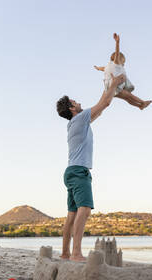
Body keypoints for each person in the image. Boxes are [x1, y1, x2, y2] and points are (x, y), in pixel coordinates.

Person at [56, 73, 126, 262]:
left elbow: (101, 109)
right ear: (72, 108)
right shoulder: (79, 119)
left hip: (71, 171)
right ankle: (76, 253)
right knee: (84, 210)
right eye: (75, 101)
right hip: (79, 171)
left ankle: (65, 253)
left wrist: (110, 89)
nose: (79, 102)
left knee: (72, 214)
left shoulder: (75, 123)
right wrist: (114, 83)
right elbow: (104, 103)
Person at [94, 33, 152, 110]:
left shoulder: (109, 66)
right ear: (119, 59)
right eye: (123, 62)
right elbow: (117, 53)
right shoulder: (116, 63)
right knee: (129, 96)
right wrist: (117, 42)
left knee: (127, 98)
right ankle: (142, 102)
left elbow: (103, 68)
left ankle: (140, 106)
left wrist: (98, 68)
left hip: (110, 89)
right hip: (115, 87)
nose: (123, 64)